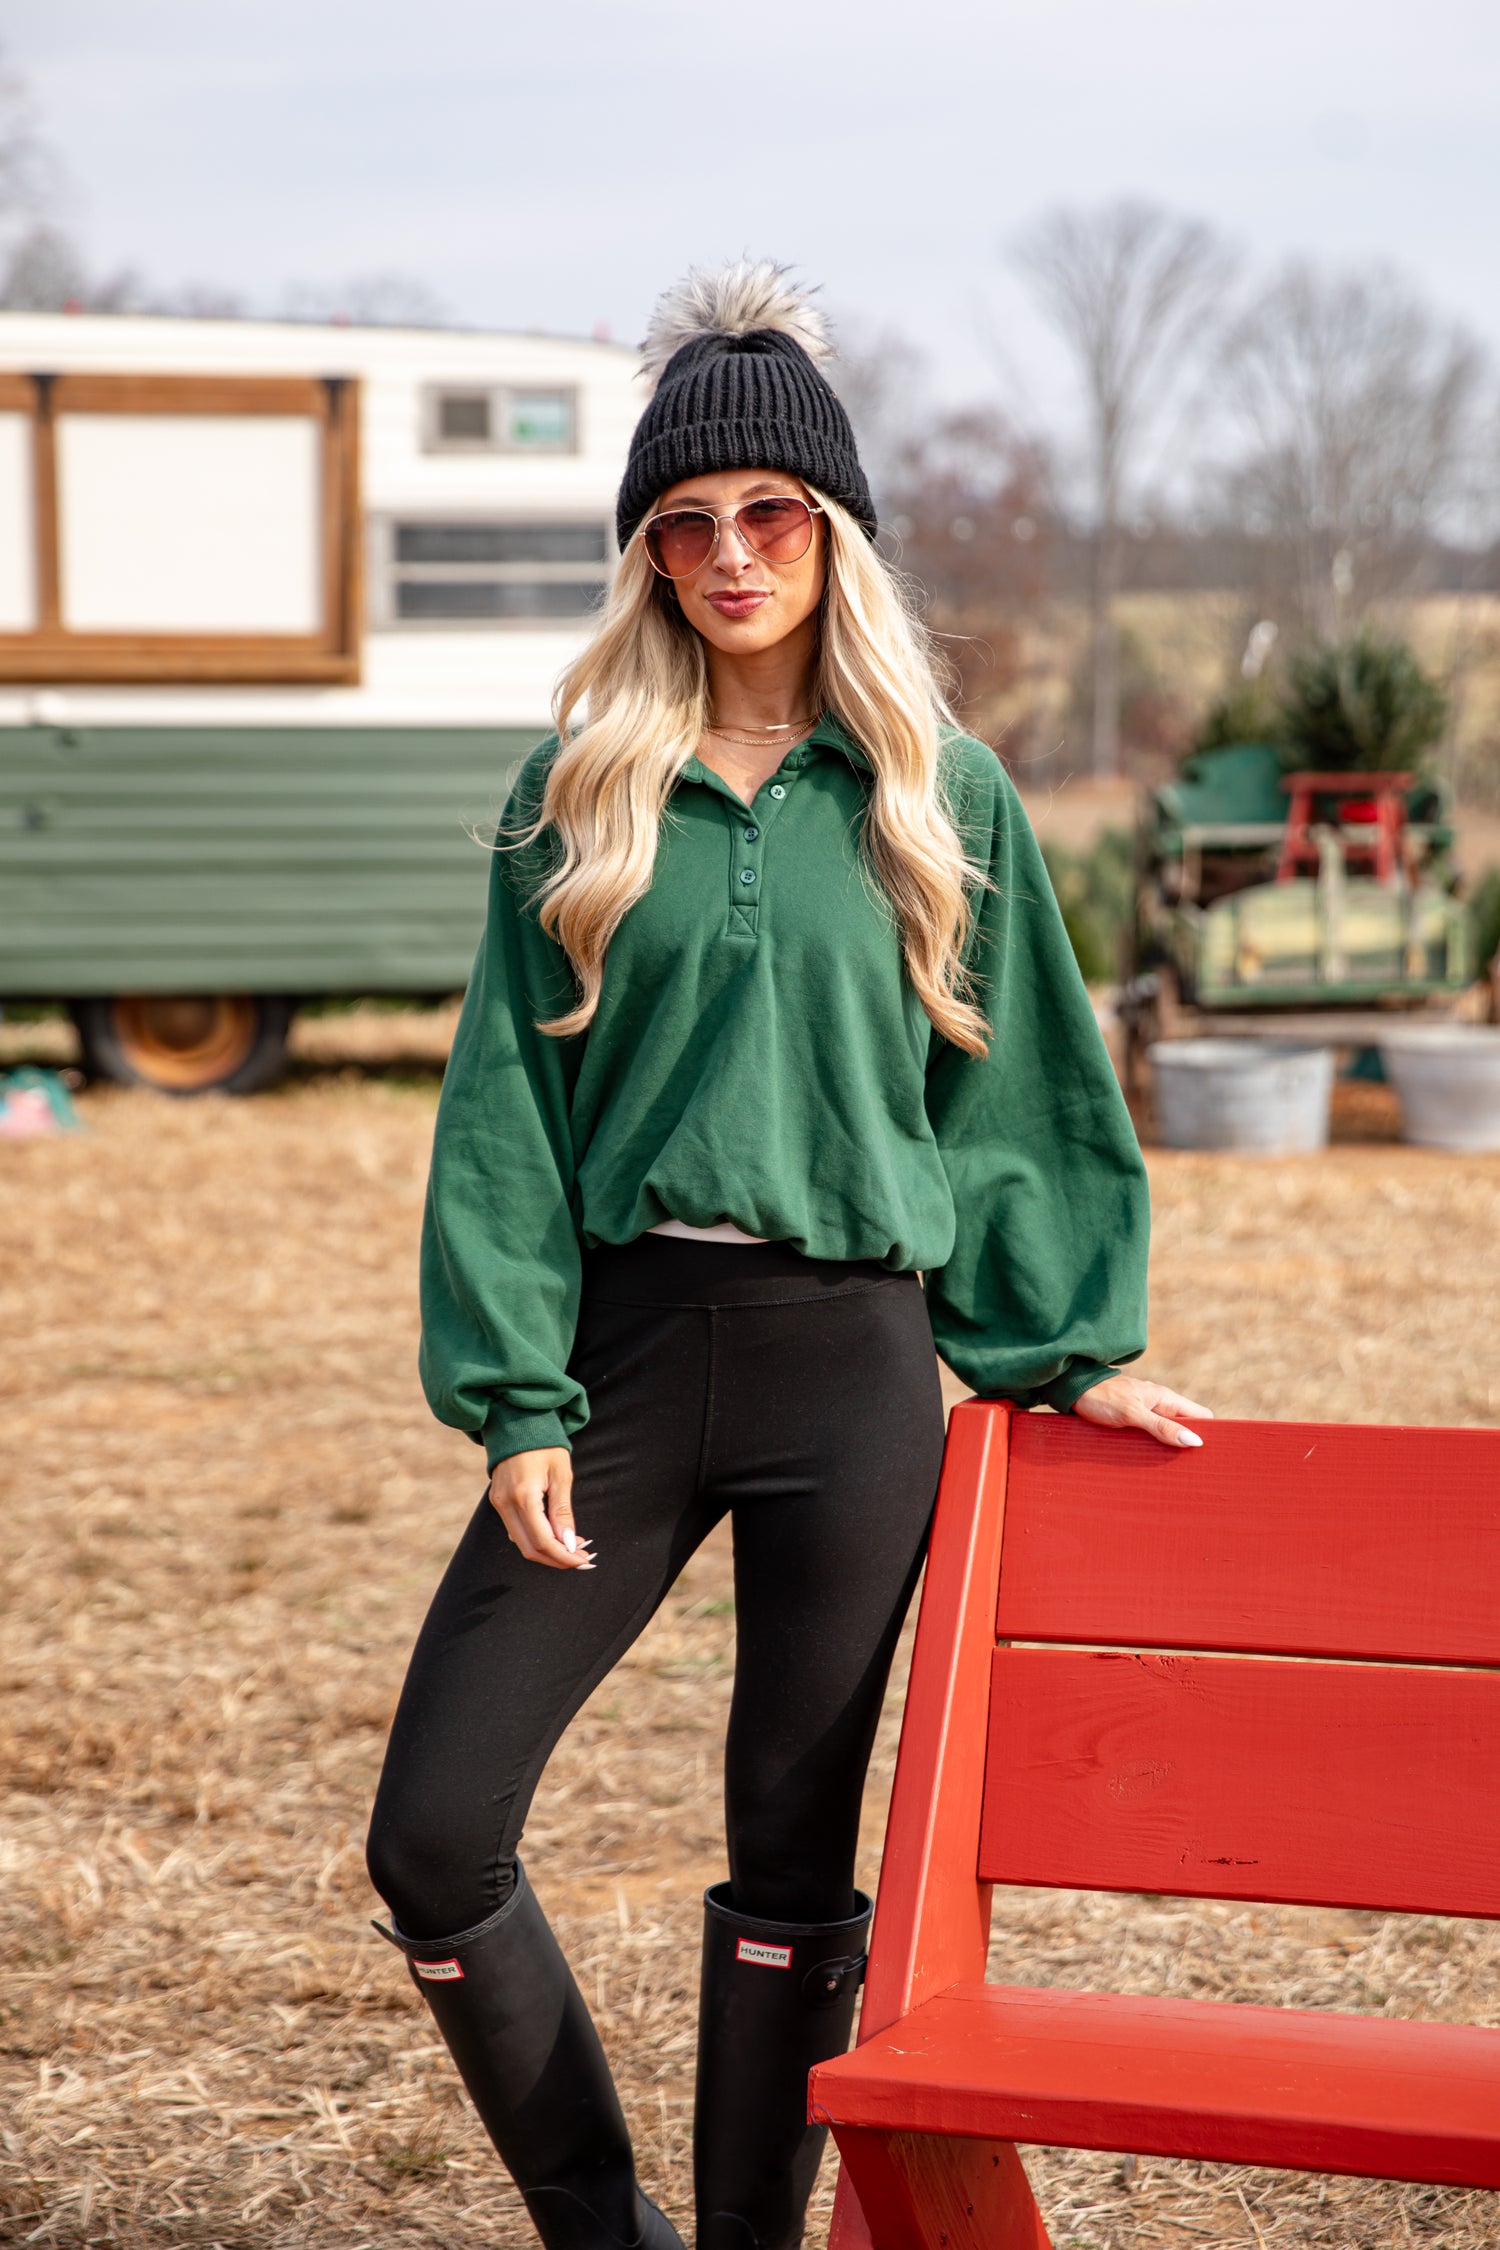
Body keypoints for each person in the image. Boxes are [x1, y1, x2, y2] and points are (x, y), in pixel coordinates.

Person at [366, 259, 1210, 2250]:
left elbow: (1019, 1113)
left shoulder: (945, 799)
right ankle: (607, 2227)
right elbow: (504, 1111)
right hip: (628, 1355)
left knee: (788, 1863)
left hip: (857, 1374)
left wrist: (1067, 1340)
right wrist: (512, 1396)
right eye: (684, 524)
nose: (727, 555)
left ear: (832, 534)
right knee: (434, 1831)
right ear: (647, 552)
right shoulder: (573, 794)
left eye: (768, 516)